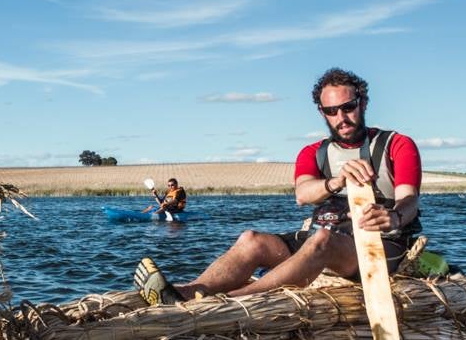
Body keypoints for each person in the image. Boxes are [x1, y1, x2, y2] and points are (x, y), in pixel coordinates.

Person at [134, 68, 422, 304]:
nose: (341, 118)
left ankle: (231, 301)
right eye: (332, 111)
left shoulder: (397, 145)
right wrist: (337, 181)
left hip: (378, 247)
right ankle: (185, 293)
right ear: (322, 112)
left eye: (348, 107)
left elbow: (409, 201)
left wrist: (394, 216)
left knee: (322, 240)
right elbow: (303, 194)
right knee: (251, 240)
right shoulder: (314, 152)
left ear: (363, 103)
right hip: (323, 237)